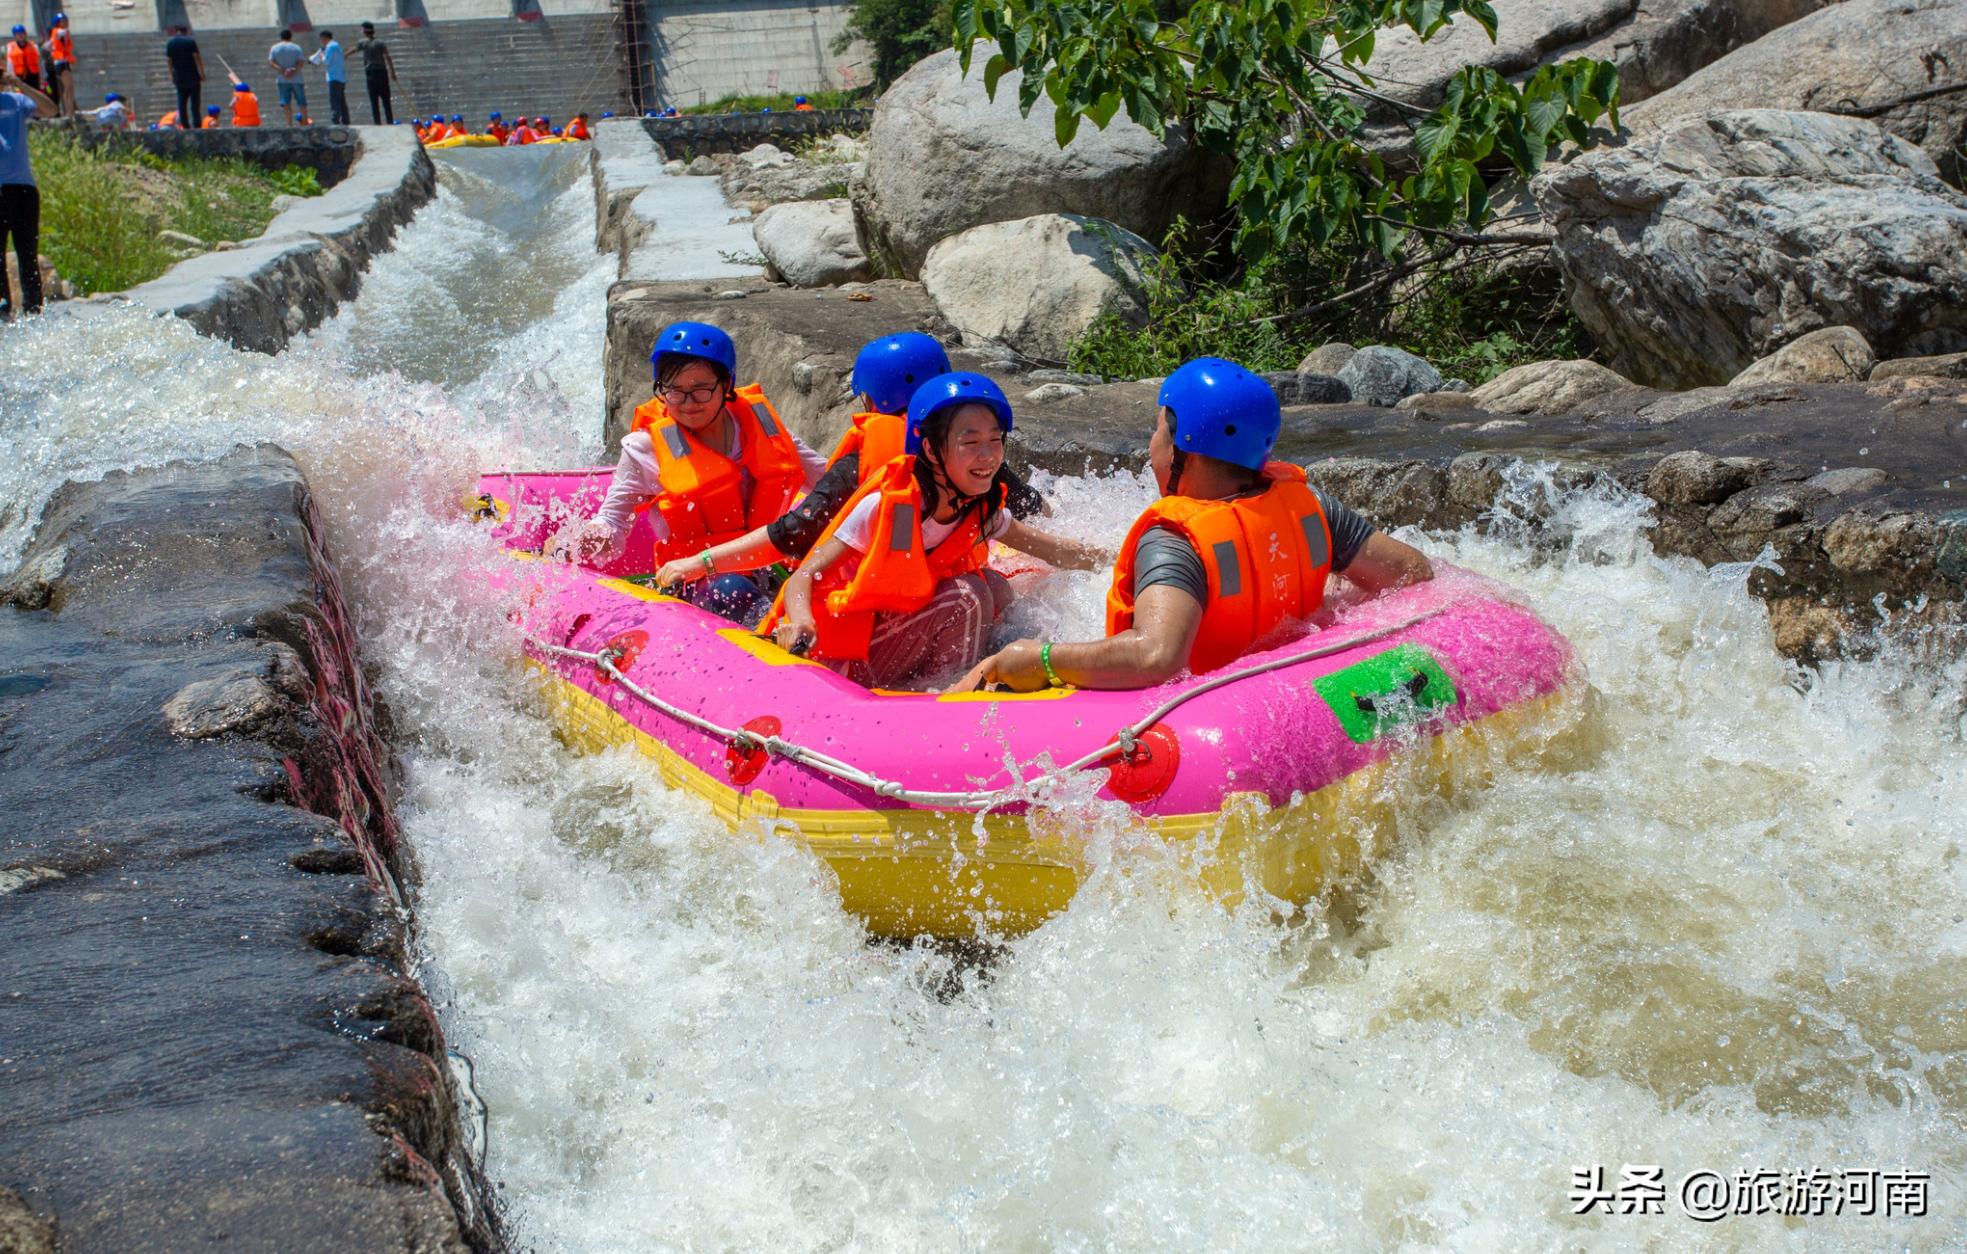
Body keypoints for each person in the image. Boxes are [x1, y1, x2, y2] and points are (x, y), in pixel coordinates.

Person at [953, 359, 1434, 694]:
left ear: (1185, 445)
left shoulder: (1174, 541)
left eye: (1158, 429)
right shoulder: (1311, 507)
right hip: (1286, 682)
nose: (1150, 444)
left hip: (1209, 710)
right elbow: (1411, 572)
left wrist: (1039, 658)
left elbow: (1156, 656)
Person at [764, 374, 1106, 690]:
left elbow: (1060, 551)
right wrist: (802, 621)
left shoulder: (978, 507)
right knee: (968, 594)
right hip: (845, 660)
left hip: (895, 643)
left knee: (997, 587)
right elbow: (803, 575)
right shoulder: (882, 509)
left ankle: (956, 677)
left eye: (994, 440)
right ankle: (950, 691)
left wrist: (1118, 563)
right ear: (930, 449)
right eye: (970, 442)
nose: (988, 456)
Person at [651, 332, 1047, 600]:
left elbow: (795, 532)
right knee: (990, 588)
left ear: (874, 401)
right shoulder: (971, 455)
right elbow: (1035, 507)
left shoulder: (865, 463)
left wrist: (699, 562)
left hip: (872, 604)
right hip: (941, 589)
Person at [562, 321, 829, 625]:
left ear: (726, 385)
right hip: (692, 584)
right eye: (674, 391)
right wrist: (581, 540)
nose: (688, 404)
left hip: (765, 569)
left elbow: (830, 485)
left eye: (700, 390)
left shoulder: (762, 428)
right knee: (730, 591)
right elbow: (612, 522)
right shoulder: (644, 449)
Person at [0, 67, 54, 319]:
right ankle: (4, 306)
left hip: (23, 186)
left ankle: (33, 308)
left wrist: (20, 83)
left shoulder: (17, 101)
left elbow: (50, 110)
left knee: (27, 250)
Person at [354, 21, 397, 125]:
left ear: (364, 31)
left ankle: (377, 123)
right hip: (382, 73)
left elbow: (353, 50)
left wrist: (343, 55)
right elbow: (387, 57)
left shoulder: (363, 43)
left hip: (371, 74)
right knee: (386, 101)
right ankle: (390, 122)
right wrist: (392, 72)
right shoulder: (380, 43)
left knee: (374, 101)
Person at [162, 24, 201, 129]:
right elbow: (196, 57)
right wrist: (201, 72)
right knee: (195, 103)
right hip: (193, 76)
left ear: (176, 31)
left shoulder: (170, 43)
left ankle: (185, 124)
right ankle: (197, 124)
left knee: (181, 102)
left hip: (179, 77)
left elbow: (169, 60)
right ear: (186, 31)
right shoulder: (190, 42)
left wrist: (171, 75)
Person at [267, 28, 305, 126]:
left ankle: (290, 124)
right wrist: (294, 72)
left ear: (281, 37)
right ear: (290, 37)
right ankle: (304, 123)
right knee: (301, 103)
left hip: (282, 79)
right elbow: (301, 63)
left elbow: (271, 62)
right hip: (297, 79)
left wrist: (282, 70)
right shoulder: (296, 47)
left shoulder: (275, 48)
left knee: (286, 103)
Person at [308, 29, 347, 125]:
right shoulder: (337, 45)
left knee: (334, 100)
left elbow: (326, 61)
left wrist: (321, 56)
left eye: (322, 39)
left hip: (334, 77)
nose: (322, 41)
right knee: (341, 101)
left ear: (324, 38)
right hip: (341, 77)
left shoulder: (330, 46)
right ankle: (345, 120)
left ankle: (335, 120)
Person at [43, 14, 73, 117]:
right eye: (62, 21)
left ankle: (69, 110)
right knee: (68, 88)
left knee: (66, 88)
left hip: (60, 62)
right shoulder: (61, 32)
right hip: (62, 63)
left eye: (65, 21)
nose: (65, 23)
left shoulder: (55, 34)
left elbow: (46, 46)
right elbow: (63, 32)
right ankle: (69, 111)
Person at [7, 26, 42, 94]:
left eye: (22, 33)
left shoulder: (34, 46)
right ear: (15, 36)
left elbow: (40, 62)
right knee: (22, 95)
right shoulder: (11, 47)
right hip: (19, 76)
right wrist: (11, 78)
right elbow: (10, 64)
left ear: (25, 34)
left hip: (33, 75)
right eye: (18, 34)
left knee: (36, 95)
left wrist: (43, 76)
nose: (20, 36)